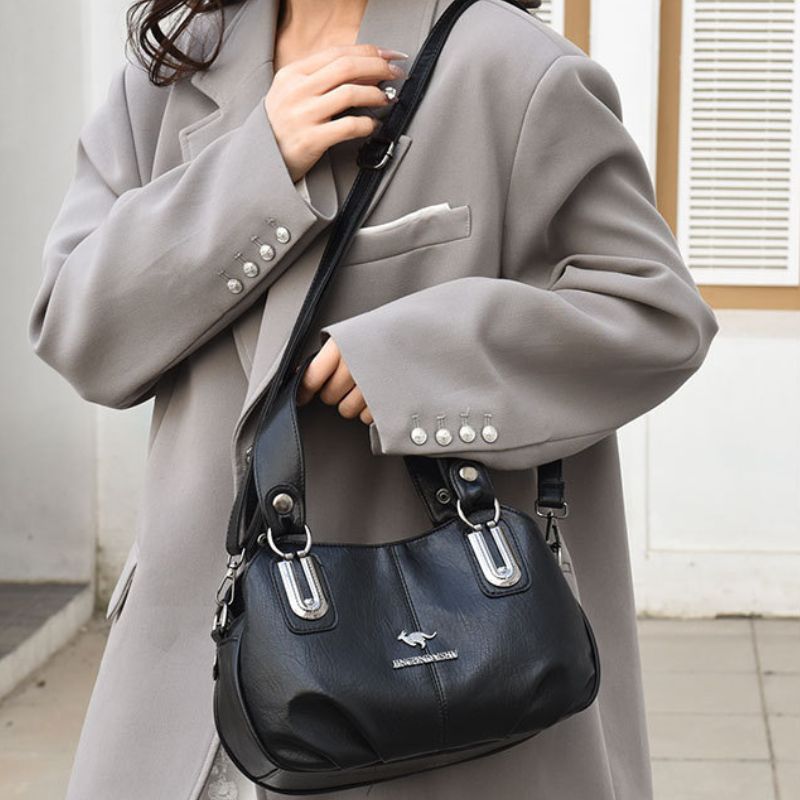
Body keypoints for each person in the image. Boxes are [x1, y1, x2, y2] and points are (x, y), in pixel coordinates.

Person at [28, 0, 719, 797]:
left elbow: (654, 314)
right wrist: (261, 164)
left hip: (429, 688)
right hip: (187, 687)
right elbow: (79, 334)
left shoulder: (509, 66)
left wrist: (416, 359)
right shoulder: (174, 67)